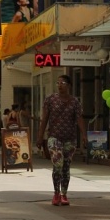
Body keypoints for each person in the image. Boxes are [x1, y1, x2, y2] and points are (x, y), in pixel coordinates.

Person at [37, 75, 87, 206]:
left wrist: (84, 135)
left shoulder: (75, 102)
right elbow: (44, 119)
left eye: (63, 83)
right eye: (58, 83)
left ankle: (64, 194)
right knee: (57, 164)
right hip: (54, 137)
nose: (59, 85)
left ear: (69, 85)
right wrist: (40, 136)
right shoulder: (50, 100)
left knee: (66, 166)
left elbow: (79, 118)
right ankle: (56, 193)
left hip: (70, 139)